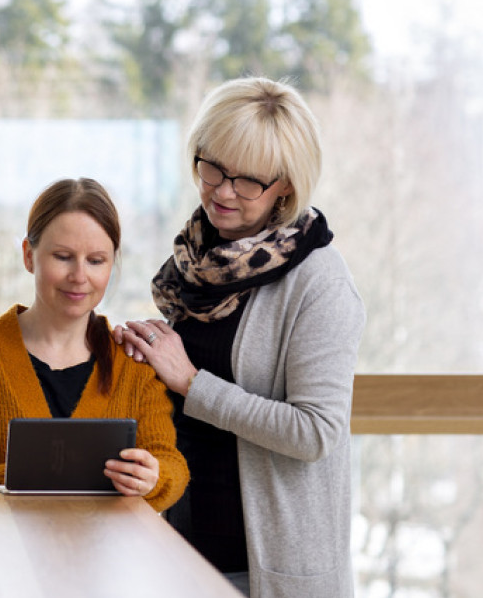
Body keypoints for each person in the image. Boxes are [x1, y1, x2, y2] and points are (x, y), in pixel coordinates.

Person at [118, 77, 365, 598]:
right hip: (177, 552)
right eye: (213, 168)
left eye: (248, 180)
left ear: (286, 188)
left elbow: (315, 432)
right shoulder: (194, 264)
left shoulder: (319, 282)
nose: (222, 191)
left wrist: (189, 381)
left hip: (264, 573)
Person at [0, 177, 189, 521]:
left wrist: (153, 478)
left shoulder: (132, 362)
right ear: (28, 256)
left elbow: (171, 466)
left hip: (108, 566)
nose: (79, 276)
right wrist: (34, 476)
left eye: (96, 261)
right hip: (3, 563)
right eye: (63, 257)